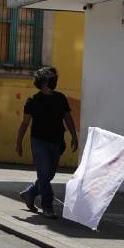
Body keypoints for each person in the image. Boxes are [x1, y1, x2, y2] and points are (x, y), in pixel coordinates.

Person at [15, 66, 79, 218]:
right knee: (44, 174)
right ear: (43, 81)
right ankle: (47, 206)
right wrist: (18, 142)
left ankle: (30, 193)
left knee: (48, 175)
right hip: (39, 142)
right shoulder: (32, 101)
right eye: (51, 78)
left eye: (55, 77)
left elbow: (68, 118)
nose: (55, 80)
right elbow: (25, 123)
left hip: (57, 141)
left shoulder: (60, 98)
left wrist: (74, 136)